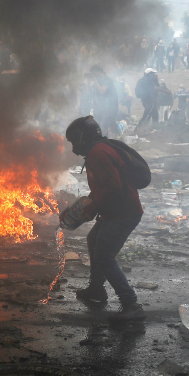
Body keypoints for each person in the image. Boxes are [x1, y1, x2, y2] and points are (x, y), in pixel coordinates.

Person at [65, 116, 145, 322]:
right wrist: (87, 204)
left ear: (83, 137)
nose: (74, 147)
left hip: (123, 212)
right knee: (93, 240)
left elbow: (113, 188)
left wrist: (91, 209)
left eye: (74, 141)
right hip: (116, 210)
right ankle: (96, 290)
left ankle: (131, 304)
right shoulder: (100, 149)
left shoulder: (98, 153)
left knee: (104, 257)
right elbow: (105, 186)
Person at [90, 65, 118, 137]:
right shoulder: (97, 80)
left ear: (100, 72)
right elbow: (92, 92)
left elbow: (102, 91)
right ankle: (103, 142)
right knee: (98, 126)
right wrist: (89, 82)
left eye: (94, 73)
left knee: (103, 127)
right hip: (99, 107)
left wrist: (95, 81)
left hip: (109, 107)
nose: (94, 75)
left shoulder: (106, 79)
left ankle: (106, 143)